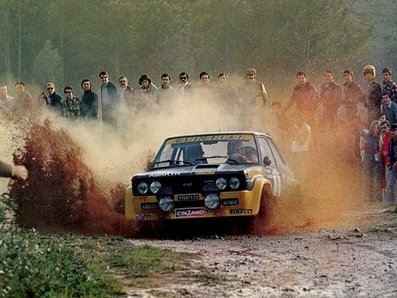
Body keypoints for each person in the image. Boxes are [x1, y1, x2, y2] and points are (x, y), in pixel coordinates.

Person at [361, 120, 383, 202]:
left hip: (376, 160)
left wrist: (380, 137)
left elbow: (380, 148)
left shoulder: (379, 137)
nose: (376, 129)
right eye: (374, 127)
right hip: (368, 159)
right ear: (372, 127)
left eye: (377, 128)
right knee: (366, 180)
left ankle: (377, 201)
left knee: (376, 181)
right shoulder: (367, 136)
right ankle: (366, 200)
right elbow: (363, 132)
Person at [388, 123, 397, 203]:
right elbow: (390, 154)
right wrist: (389, 161)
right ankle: (391, 203)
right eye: (392, 131)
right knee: (390, 185)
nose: (393, 132)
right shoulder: (390, 141)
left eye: (394, 130)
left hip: (395, 165)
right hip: (393, 167)